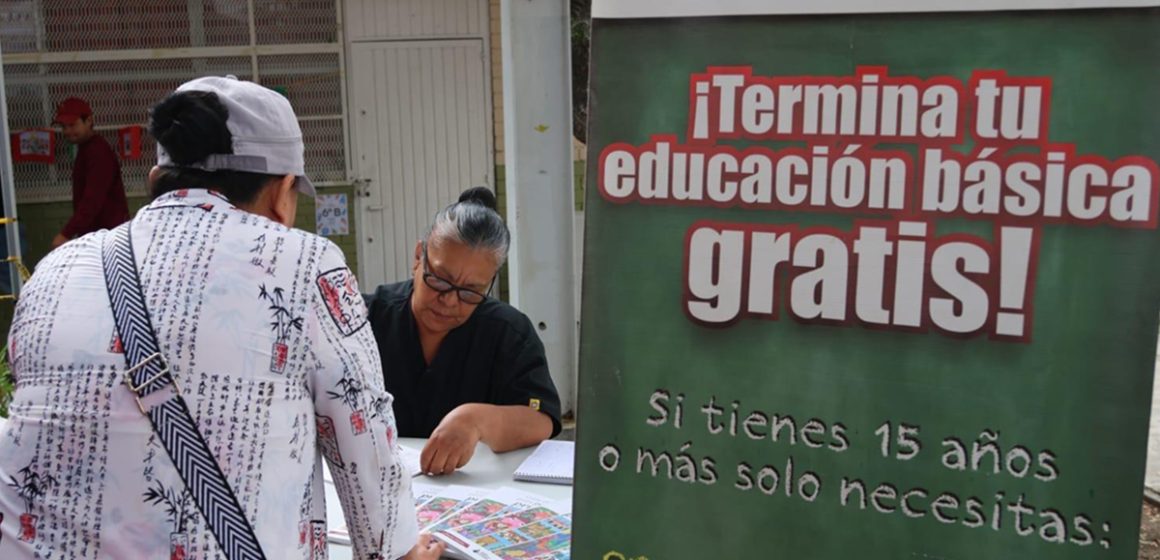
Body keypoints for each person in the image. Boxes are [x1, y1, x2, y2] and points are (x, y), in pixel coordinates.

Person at [0, 76, 442, 560]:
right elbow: (363, 440)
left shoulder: (55, 270)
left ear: (156, 181)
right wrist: (400, 551)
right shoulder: (306, 264)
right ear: (282, 193)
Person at [365, 187, 562, 476]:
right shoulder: (366, 318)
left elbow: (542, 418)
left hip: (471, 490)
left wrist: (477, 420)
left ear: (490, 283)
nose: (449, 301)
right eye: (440, 281)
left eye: (471, 291)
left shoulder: (507, 331)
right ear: (419, 257)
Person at [50, 96, 130, 248]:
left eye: (73, 125)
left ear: (89, 121)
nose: (67, 131)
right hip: (100, 236)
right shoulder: (87, 149)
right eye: (64, 126)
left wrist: (66, 234)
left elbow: (92, 199)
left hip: (108, 238)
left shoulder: (97, 152)